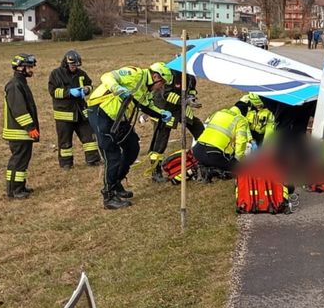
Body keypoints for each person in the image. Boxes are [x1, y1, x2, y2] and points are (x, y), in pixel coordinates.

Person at [87, 62, 174, 209]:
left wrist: (161, 114)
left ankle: (116, 182)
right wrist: (117, 88)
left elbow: (145, 105)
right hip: (100, 111)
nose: (162, 87)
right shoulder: (134, 74)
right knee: (112, 153)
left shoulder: (146, 89)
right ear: (155, 76)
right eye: (162, 83)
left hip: (119, 117)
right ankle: (108, 196)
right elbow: (107, 76)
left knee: (132, 148)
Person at [47, 50, 99, 169]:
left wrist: (87, 89)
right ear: (66, 63)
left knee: (89, 137)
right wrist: (69, 92)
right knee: (65, 141)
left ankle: (93, 159)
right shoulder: (56, 74)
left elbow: (90, 84)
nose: (74, 67)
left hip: (81, 112)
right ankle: (66, 164)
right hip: (64, 114)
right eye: (72, 65)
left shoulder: (81, 73)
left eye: (76, 65)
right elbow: (53, 91)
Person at [148, 73, 205, 182]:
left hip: (181, 107)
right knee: (161, 140)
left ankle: (206, 154)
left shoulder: (190, 76)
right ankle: (156, 172)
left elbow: (192, 89)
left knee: (197, 126)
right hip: (164, 109)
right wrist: (184, 101)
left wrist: (192, 97)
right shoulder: (171, 75)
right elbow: (166, 94)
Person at [3, 54, 40, 199]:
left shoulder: (21, 83)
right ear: (20, 67)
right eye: (29, 67)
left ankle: (20, 186)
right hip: (18, 132)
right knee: (17, 161)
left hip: (22, 131)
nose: (31, 69)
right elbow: (19, 110)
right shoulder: (14, 85)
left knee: (23, 160)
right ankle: (13, 190)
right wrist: (30, 127)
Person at [191, 105, 251, 176]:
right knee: (241, 169)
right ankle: (213, 170)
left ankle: (203, 166)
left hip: (197, 151)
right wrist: (237, 159)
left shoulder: (218, 113)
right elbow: (241, 142)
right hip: (214, 153)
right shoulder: (240, 120)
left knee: (211, 160)